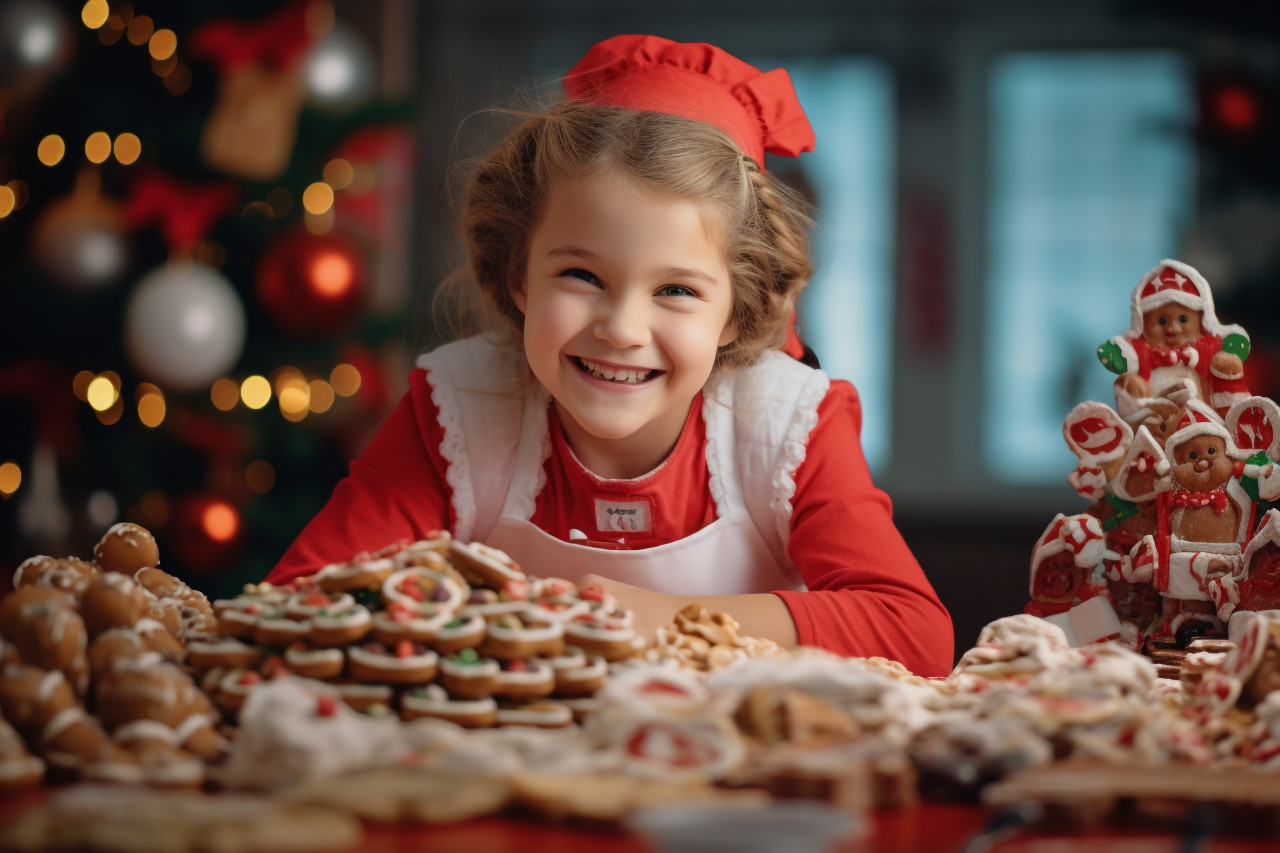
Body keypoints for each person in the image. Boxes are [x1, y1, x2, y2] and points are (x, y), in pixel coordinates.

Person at [267, 34, 954, 677]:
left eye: (677, 289)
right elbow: (296, 600)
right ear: (518, 276)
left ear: (735, 312)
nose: (623, 328)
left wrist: (675, 619)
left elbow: (914, 630)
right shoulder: (457, 408)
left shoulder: (790, 425)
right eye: (582, 277)